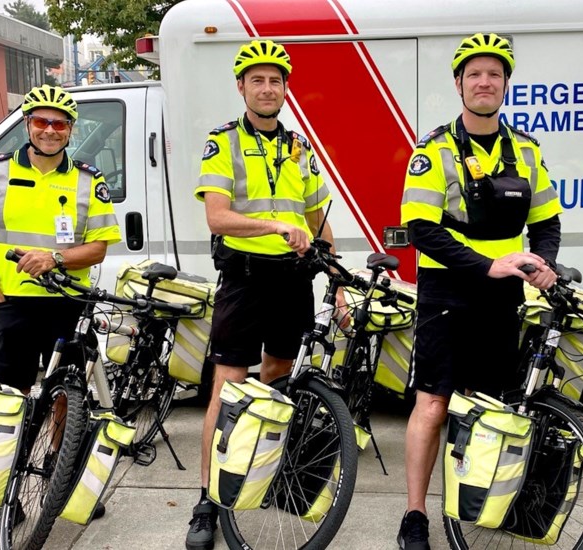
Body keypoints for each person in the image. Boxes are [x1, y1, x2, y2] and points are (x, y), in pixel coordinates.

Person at [397, 33, 563, 549]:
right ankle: (416, 515)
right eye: (474, 74)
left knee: (490, 403)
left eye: (494, 74)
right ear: (459, 84)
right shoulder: (433, 150)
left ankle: (478, 501)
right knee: (434, 403)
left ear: (507, 84)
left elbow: (547, 222)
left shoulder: (527, 150)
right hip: (447, 290)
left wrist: (544, 264)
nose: (484, 82)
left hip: (503, 292)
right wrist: (487, 265)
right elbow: (421, 228)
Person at [186, 39, 344, 550]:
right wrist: (275, 225)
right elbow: (217, 215)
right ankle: (207, 500)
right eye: (258, 79)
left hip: (293, 282)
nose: (267, 88)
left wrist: (337, 278)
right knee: (228, 386)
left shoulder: (301, 148)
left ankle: (261, 475)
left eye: (276, 80)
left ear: (285, 89)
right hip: (244, 280)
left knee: (279, 382)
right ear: (242, 87)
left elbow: (319, 220)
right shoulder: (223, 141)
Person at [0, 84, 121, 546]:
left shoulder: (88, 179)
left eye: (59, 123)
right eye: (42, 122)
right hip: (15, 308)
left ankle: (60, 482)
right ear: (28, 125)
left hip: (69, 303)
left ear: (70, 130)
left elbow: (100, 245)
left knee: (69, 399)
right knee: (6, 404)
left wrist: (57, 259)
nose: (50, 130)